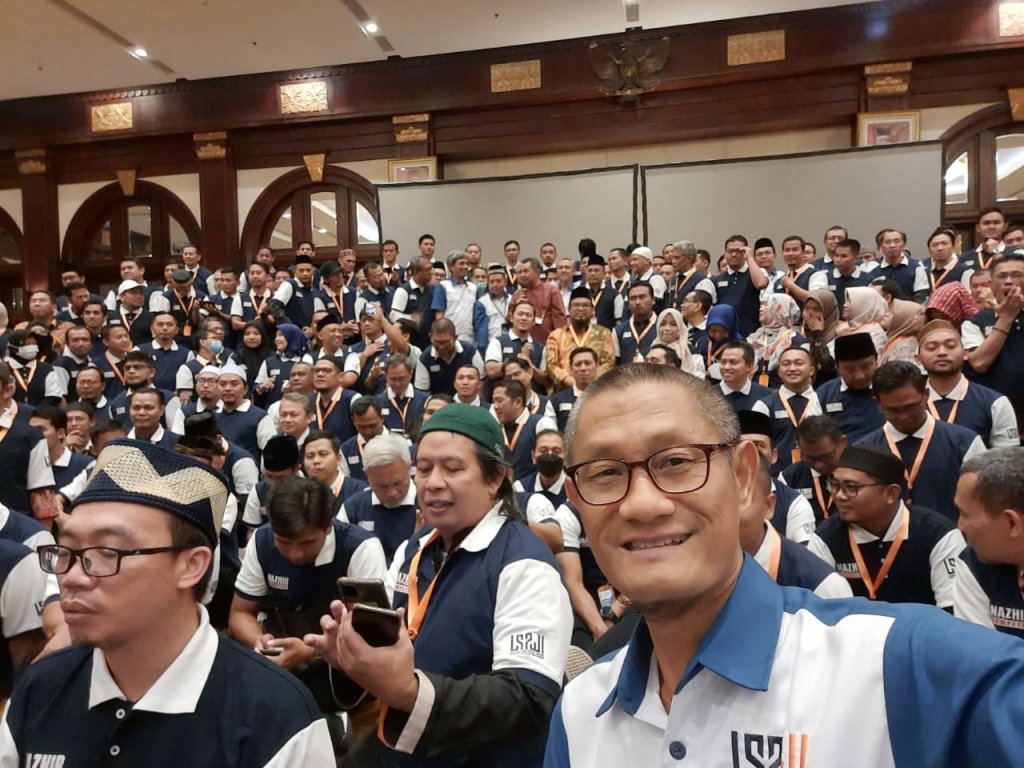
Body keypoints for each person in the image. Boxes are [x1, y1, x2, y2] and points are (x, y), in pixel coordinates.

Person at [546, 363, 1024, 768]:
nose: (642, 504)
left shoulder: (899, 663)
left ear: (743, 478)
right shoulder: (580, 710)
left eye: (676, 462)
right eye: (604, 473)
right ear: (577, 502)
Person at [2, 440, 335, 765]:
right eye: (68, 551)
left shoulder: (274, 716)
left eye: (107, 552)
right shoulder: (41, 686)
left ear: (191, 566)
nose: (73, 577)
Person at [305, 403, 571, 766]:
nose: (432, 483)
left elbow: (528, 699)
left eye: (453, 468)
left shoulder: (523, 563)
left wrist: (410, 692)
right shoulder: (416, 546)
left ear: (495, 478)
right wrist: (355, 658)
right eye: (424, 469)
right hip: (400, 742)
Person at [230, 475, 387, 719]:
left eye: (307, 542)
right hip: (279, 655)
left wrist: (310, 651)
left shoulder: (361, 549)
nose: (295, 553)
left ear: (328, 525)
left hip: (340, 667)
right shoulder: (261, 541)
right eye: (283, 542)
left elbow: (374, 638)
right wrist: (260, 642)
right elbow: (240, 613)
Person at [807, 445, 964, 607]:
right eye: (835, 485)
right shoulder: (825, 538)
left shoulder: (938, 535)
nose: (839, 496)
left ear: (891, 493)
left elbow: (953, 611)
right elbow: (818, 610)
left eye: (851, 487)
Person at [858, 361, 985, 521]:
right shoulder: (863, 451)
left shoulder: (965, 443)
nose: (904, 417)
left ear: (926, 394)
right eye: (893, 410)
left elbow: (983, 499)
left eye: (911, 407)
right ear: (877, 403)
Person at [741, 455, 852, 599]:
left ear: (768, 506)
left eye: (739, 500)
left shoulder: (820, 584)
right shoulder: (712, 569)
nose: (726, 512)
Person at [953, 448, 1024, 636]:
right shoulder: (974, 563)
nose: (959, 526)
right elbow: (978, 650)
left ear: (1011, 523)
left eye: (964, 514)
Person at [918, 320, 1018, 448]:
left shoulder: (995, 403)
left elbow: (1006, 456)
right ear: (918, 358)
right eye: (932, 348)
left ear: (966, 353)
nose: (942, 352)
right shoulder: (908, 403)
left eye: (950, 346)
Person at [338, 432, 419, 564]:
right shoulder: (352, 509)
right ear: (366, 474)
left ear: (409, 468)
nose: (392, 493)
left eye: (397, 483)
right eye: (382, 486)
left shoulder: (429, 505)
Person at [814, 332, 886, 443]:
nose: (859, 376)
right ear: (837, 367)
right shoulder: (824, 394)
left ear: (876, 361)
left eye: (866, 367)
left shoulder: (890, 388)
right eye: (850, 370)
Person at [762, 346, 822, 473]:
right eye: (786, 364)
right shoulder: (764, 405)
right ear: (779, 371)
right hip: (776, 475)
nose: (792, 368)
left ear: (811, 370)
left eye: (799, 363)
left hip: (817, 473)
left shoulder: (822, 401)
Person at [779, 414, 847, 524]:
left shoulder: (861, 472)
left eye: (826, 457)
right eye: (809, 458)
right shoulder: (788, 479)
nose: (818, 465)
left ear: (842, 443)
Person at [544, 287, 615, 389]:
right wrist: (571, 382)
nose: (581, 308)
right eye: (576, 305)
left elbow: (609, 363)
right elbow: (551, 365)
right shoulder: (556, 335)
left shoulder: (603, 333)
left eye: (585, 305)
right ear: (568, 310)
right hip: (565, 389)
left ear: (592, 310)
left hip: (595, 389)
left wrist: (590, 381)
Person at [712, 235, 769, 336]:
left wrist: (749, 257)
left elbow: (760, 284)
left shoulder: (756, 272)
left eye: (739, 251)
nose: (734, 254)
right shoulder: (716, 279)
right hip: (724, 333)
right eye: (730, 251)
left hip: (750, 333)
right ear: (725, 254)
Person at [414, 318, 484, 396]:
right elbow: (422, 392)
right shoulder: (425, 358)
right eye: (437, 342)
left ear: (455, 337)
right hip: (438, 401)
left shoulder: (470, 351)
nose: (441, 347)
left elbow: (482, 382)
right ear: (430, 337)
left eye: (445, 342)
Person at [747, 293, 803, 389]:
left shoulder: (796, 341)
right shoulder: (755, 338)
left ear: (780, 309)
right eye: (761, 305)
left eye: (766, 305)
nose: (761, 309)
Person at [510, 256, 567, 345]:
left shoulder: (551, 291)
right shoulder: (517, 294)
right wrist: (516, 307)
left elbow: (560, 322)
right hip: (519, 343)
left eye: (526, 271)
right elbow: (509, 319)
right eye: (519, 272)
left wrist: (560, 343)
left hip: (546, 344)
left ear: (537, 272)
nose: (522, 275)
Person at [549, 347, 599, 432]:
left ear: (597, 365)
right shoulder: (556, 400)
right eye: (578, 364)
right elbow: (550, 434)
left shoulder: (609, 397)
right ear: (571, 368)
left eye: (587, 363)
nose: (583, 368)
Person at [715, 340, 772, 414]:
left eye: (733, 362)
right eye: (723, 362)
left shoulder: (766, 396)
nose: (726, 367)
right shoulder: (707, 395)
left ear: (749, 366)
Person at [694, 303, 742, 383]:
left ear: (731, 328)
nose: (717, 335)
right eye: (713, 331)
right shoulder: (702, 342)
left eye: (723, 331)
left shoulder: (740, 346)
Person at [651, 307, 704, 378]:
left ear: (680, 328)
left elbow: (699, 378)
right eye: (662, 324)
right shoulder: (649, 350)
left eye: (673, 324)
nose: (667, 328)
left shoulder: (691, 351)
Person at [836, 286, 888, 355]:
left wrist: (845, 338)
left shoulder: (875, 333)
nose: (844, 305)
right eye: (846, 301)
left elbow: (864, 359)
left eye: (850, 301)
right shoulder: (849, 326)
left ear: (866, 305)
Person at [801, 288, 840, 382]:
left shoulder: (840, 334)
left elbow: (826, 365)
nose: (810, 313)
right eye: (807, 308)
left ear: (827, 311)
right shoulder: (797, 333)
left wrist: (817, 334)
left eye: (816, 309)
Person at [879, 298, 925, 365]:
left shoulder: (906, 347)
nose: (886, 314)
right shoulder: (891, 337)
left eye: (892, 312)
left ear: (904, 319)